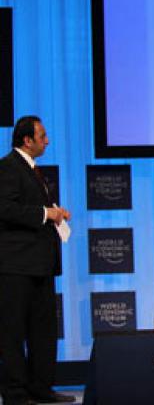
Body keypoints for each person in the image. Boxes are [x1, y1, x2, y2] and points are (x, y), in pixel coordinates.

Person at [0, 116, 73, 404]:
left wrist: (54, 213)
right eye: (42, 136)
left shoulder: (32, 169)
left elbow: (28, 206)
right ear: (27, 140)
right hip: (16, 266)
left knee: (43, 330)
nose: (47, 141)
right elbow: (5, 209)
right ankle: (15, 393)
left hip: (40, 264)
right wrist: (45, 213)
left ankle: (41, 387)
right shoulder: (8, 167)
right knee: (13, 331)